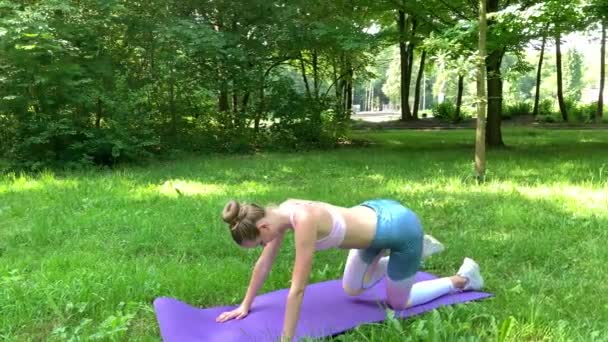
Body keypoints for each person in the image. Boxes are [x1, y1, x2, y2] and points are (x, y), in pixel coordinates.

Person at [215, 198, 484, 341]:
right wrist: (244, 305)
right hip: (373, 223)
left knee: (398, 303)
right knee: (352, 289)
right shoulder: (281, 213)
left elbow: (297, 289)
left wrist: (286, 340)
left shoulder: (303, 219)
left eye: (262, 241)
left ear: (263, 227)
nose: (266, 244)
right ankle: (413, 259)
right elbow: (264, 263)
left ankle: (463, 279)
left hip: (400, 230)